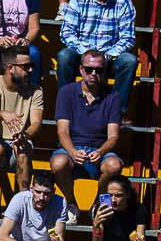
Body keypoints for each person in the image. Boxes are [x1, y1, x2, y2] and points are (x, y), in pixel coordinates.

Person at [55, 0, 138, 95]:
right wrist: (86, 54)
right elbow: (67, 32)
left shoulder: (124, 2)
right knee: (64, 57)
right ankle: (67, 105)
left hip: (110, 57)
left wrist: (107, 55)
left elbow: (128, 38)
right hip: (82, 53)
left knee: (129, 61)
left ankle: (118, 110)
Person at [0, 44, 47, 208]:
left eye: (31, 66)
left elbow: (36, 123)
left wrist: (25, 135)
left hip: (20, 139)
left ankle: (22, 204)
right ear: (10, 68)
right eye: (25, 67)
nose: (30, 70)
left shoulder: (36, 90)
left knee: (23, 149)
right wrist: (2, 114)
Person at [49, 47, 125, 191]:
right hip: (71, 149)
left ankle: (98, 202)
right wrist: (72, 152)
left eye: (99, 70)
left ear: (105, 71)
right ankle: (72, 204)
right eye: (89, 69)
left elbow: (113, 136)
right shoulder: (66, 92)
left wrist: (101, 152)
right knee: (58, 163)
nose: (94, 74)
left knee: (114, 165)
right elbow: (62, 132)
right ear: (81, 69)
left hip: (99, 151)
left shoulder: (113, 96)